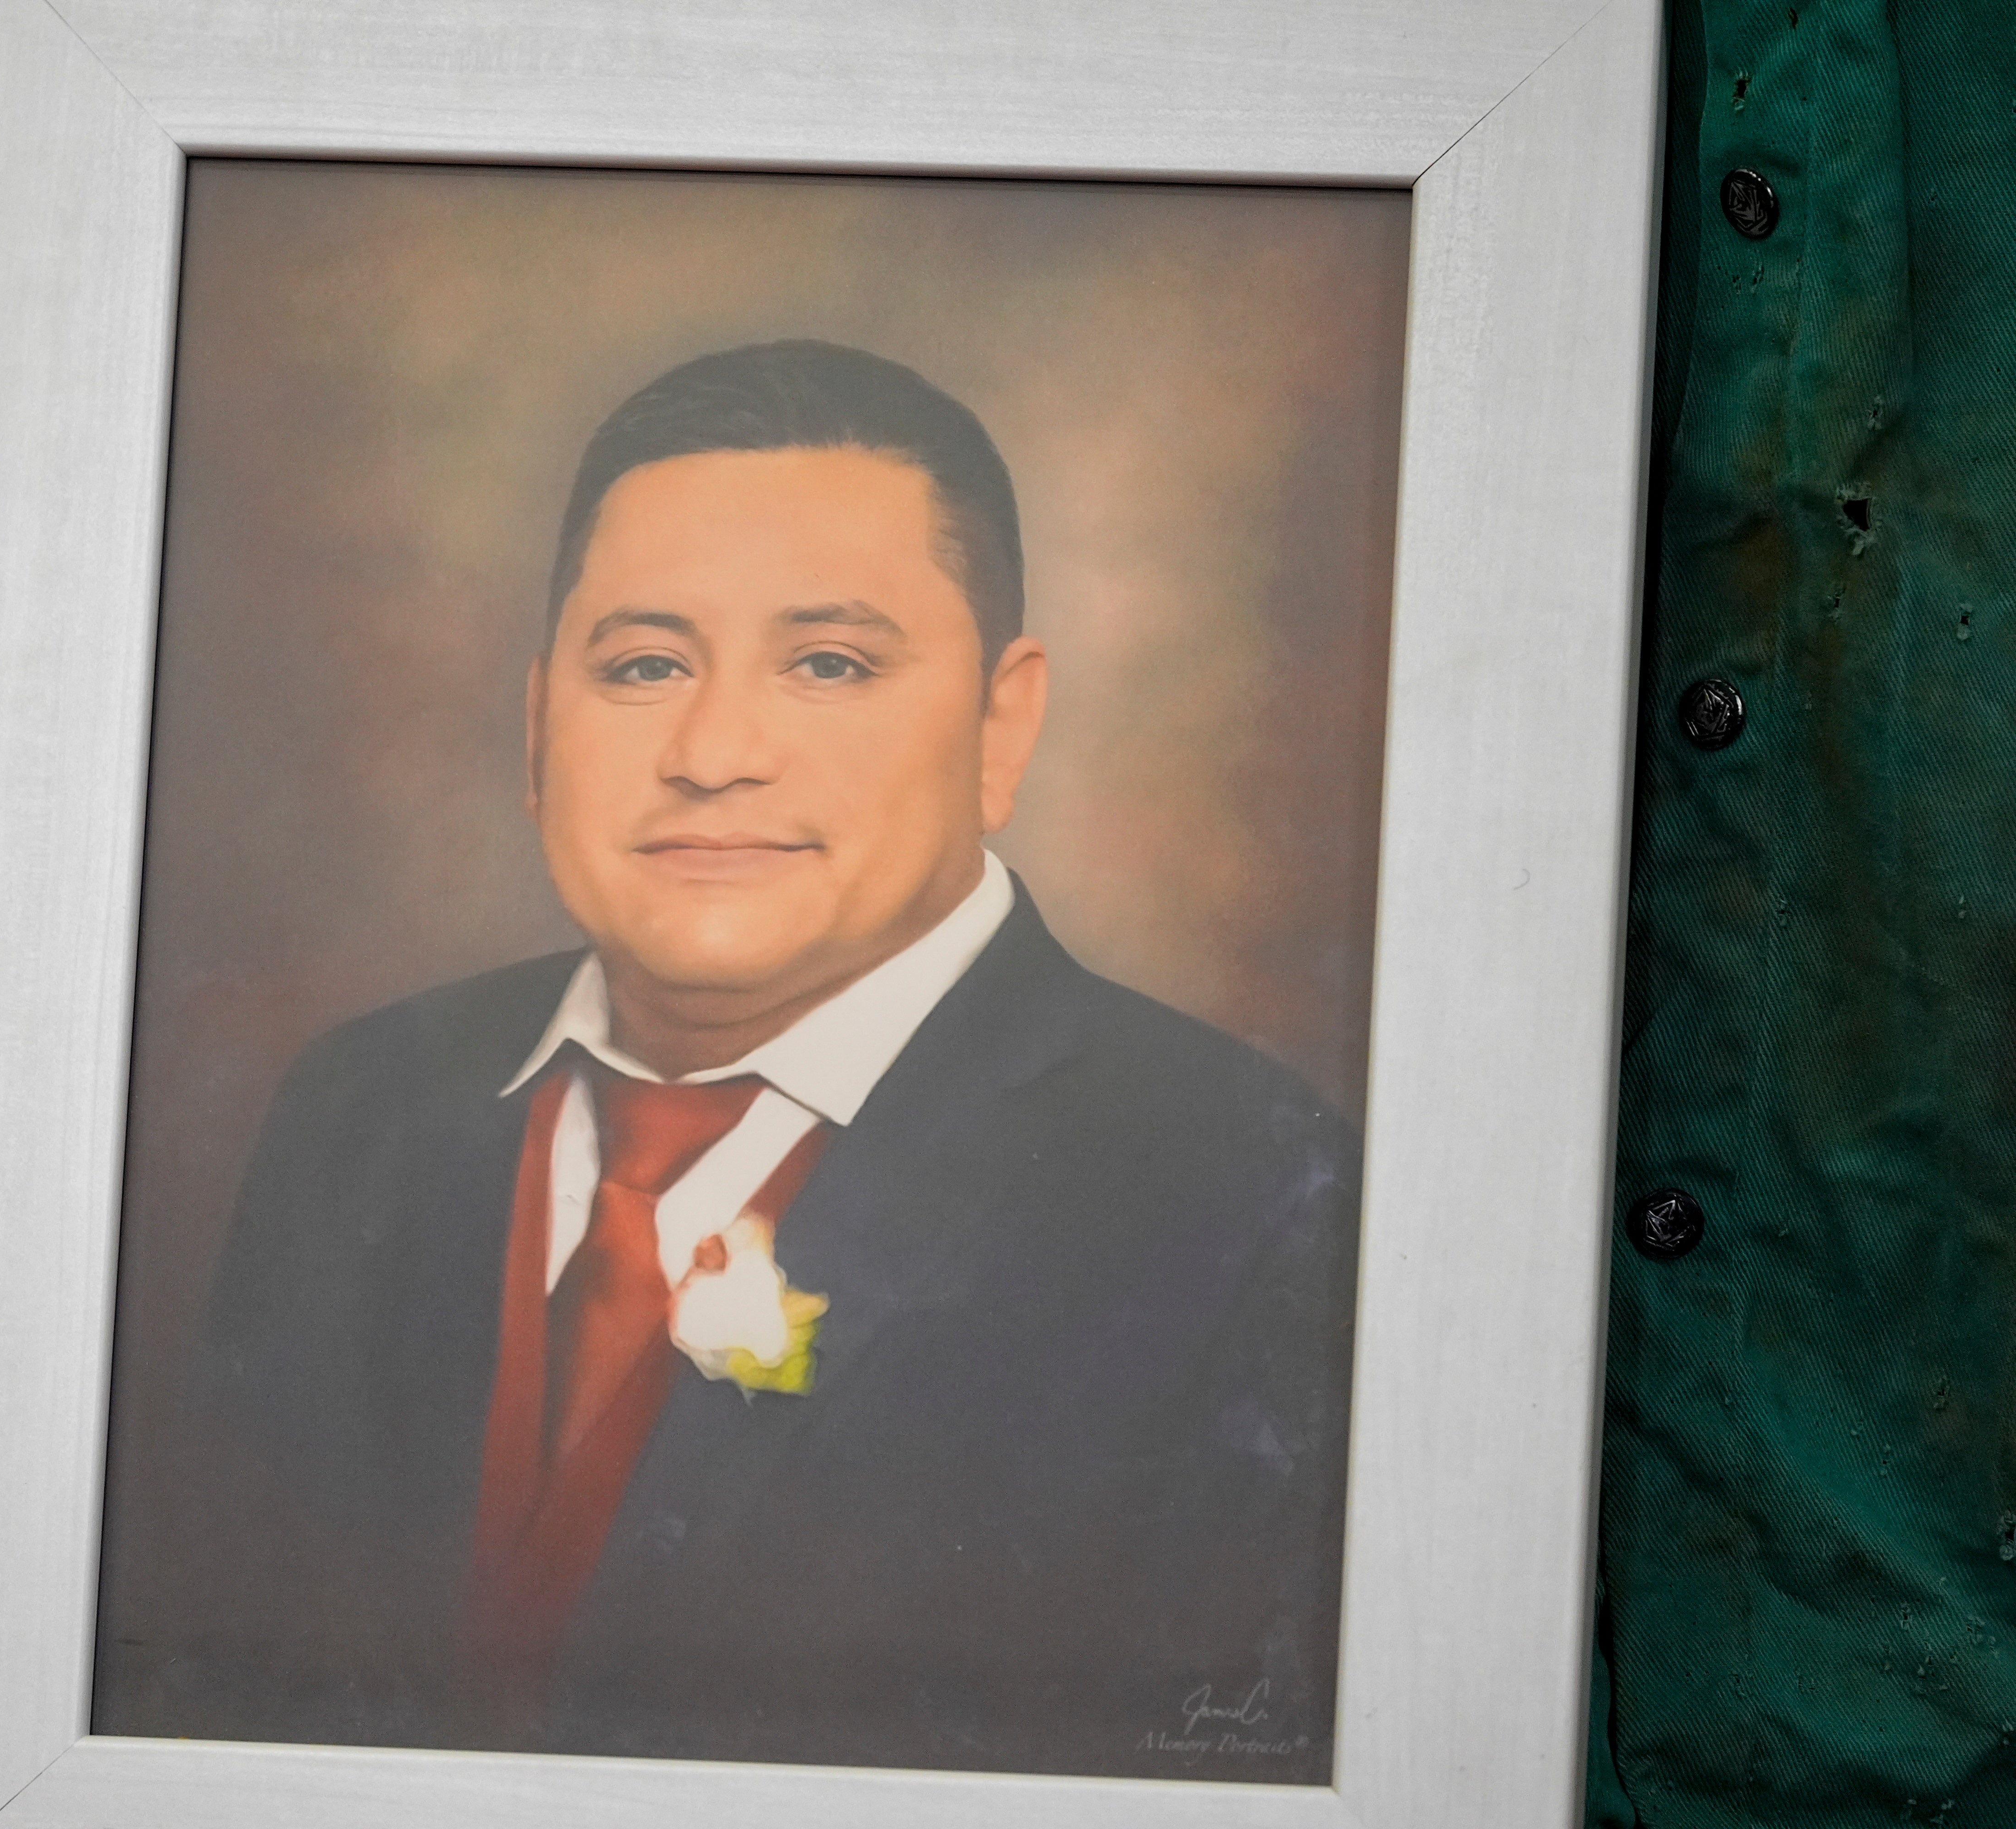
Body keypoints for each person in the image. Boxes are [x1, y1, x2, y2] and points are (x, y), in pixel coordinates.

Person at [150, 340, 1358, 1781]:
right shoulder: (358, 1102)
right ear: (543, 724)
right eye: (645, 664)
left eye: (831, 663)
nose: (715, 750)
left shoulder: (1243, 1194)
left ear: (1002, 722)